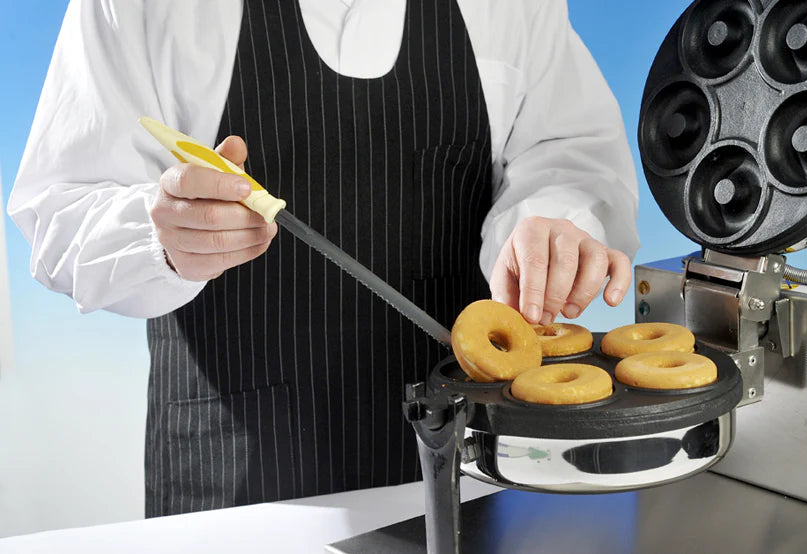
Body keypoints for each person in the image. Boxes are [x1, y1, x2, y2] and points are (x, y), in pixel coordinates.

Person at [10, 0, 640, 517]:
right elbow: (59, 211)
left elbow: (566, 150)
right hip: (234, 492)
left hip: (464, 480)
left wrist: (551, 222)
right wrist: (161, 235)